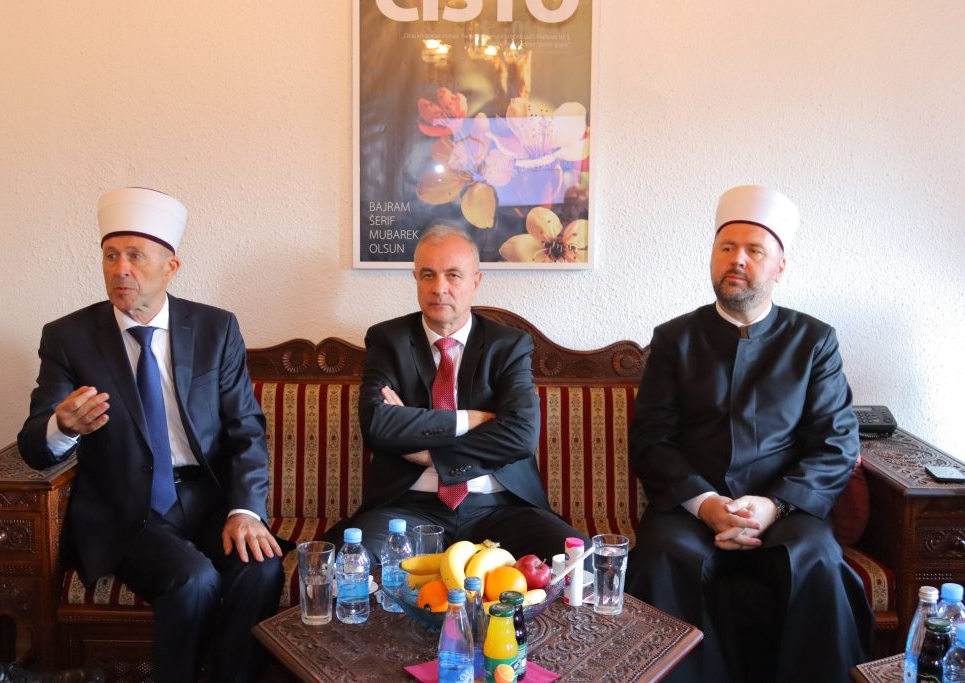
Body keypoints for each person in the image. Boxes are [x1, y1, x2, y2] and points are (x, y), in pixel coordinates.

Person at [17, 188, 286, 683]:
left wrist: (245, 511)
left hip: (206, 499)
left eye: (135, 256)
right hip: (127, 512)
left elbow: (245, 428)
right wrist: (63, 426)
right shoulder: (68, 337)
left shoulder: (215, 328)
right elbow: (34, 445)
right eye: (111, 256)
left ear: (171, 267)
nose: (121, 269)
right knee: (193, 580)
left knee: (263, 568)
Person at [624, 185, 874, 682]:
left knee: (814, 559)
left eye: (754, 250)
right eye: (726, 247)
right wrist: (707, 504)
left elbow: (835, 444)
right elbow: (651, 439)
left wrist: (771, 506)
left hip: (787, 508)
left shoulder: (814, 342)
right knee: (665, 558)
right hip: (690, 506)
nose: (736, 259)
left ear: (780, 266)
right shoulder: (675, 339)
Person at [323, 226, 587, 563]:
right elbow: (378, 425)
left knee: (584, 563)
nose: (439, 288)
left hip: (501, 508)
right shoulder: (388, 340)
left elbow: (521, 435)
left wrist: (431, 456)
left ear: (475, 282)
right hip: (408, 509)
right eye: (428, 275)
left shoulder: (507, 345)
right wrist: (469, 420)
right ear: (415, 279)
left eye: (453, 275)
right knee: (342, 566)